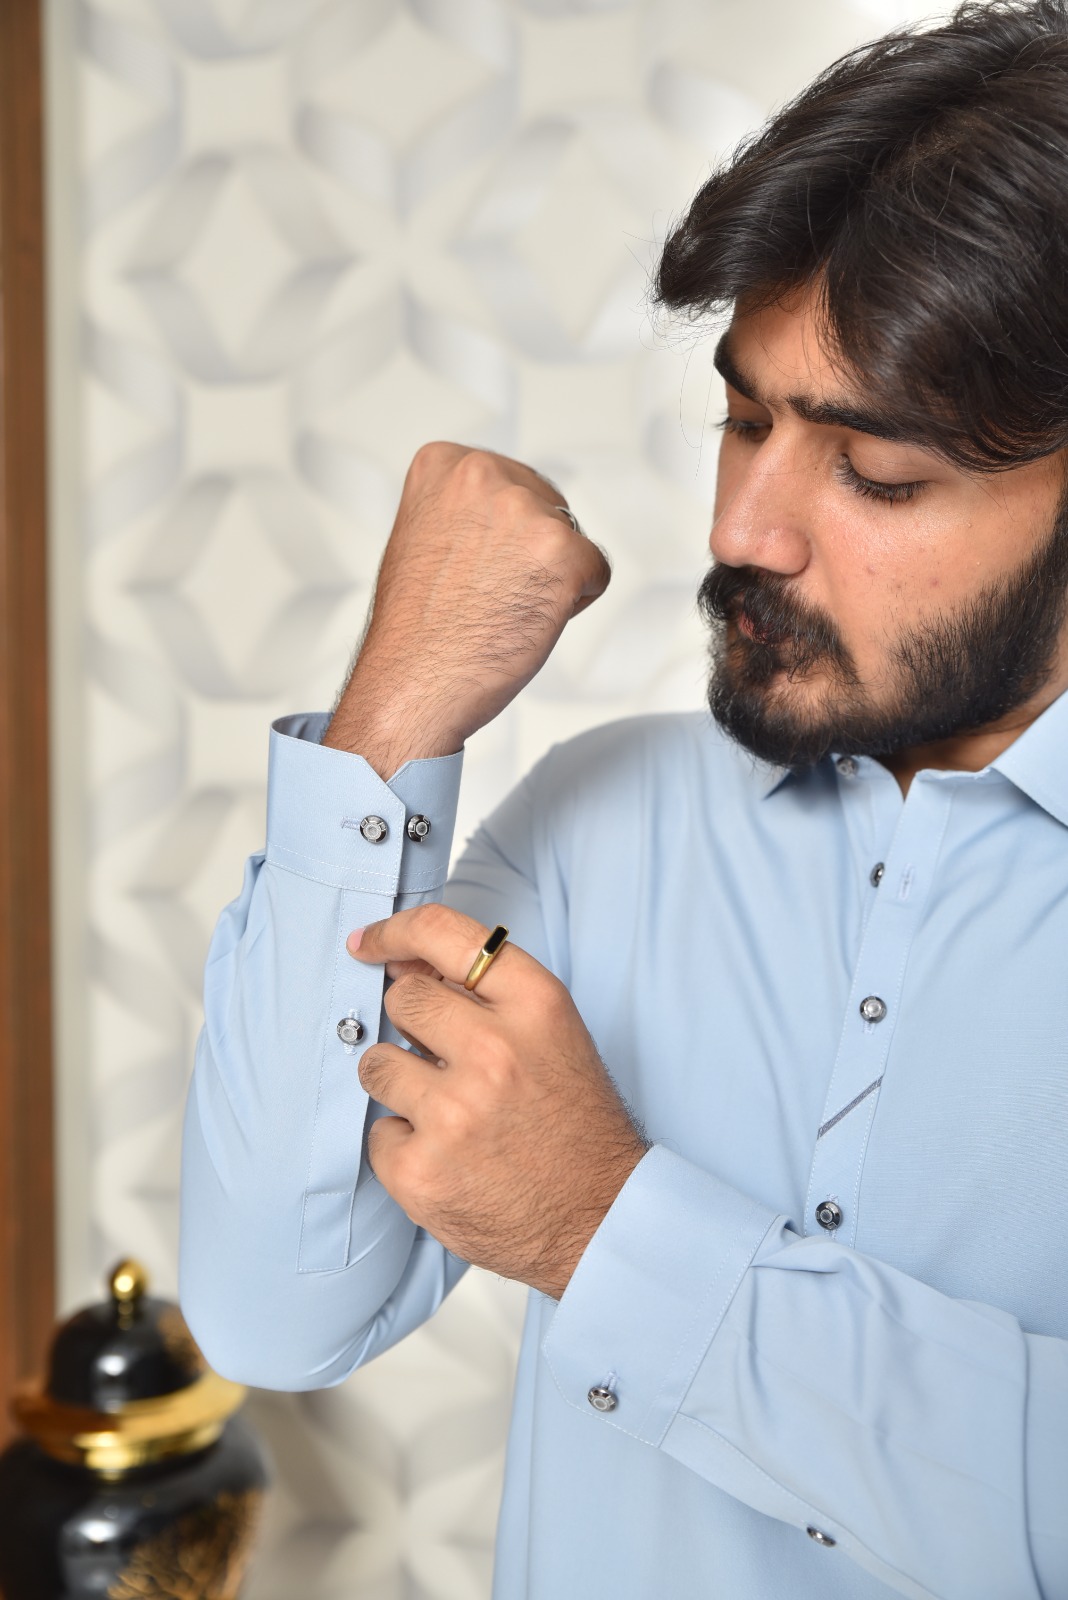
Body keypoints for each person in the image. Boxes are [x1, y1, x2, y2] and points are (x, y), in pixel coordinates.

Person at [179, 3, 1068, 1596]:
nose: (745, 531)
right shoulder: (612, 817)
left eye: (875, 474)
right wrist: (393, 714)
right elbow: (276, 1307)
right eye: (746, 419)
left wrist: (602, 1226)